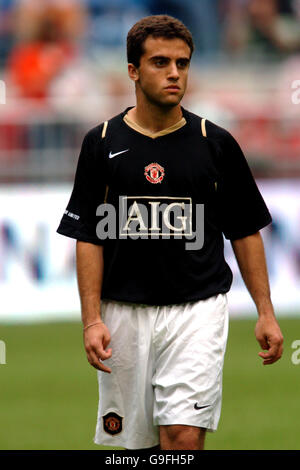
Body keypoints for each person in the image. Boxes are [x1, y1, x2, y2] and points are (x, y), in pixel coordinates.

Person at [57, 15, 283, 451]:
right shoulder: (101, 142)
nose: (174, 73)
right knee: (137, 448)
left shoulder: (214, 142)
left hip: (198, 310)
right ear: (133, 71)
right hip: (123, 313)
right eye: (160, 62)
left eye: (182, 63)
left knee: (182, 437)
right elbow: (88, 236)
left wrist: (266, 311)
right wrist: (91, 319)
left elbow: (246, 231)